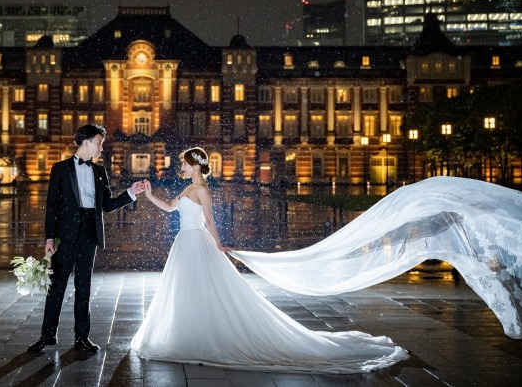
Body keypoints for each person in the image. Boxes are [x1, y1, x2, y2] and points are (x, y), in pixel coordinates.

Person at [130, 147, 409, 373]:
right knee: (183, 292)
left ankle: (198, 336)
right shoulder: (185, 189)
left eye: (186, 164)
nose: (182, 167)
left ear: (197, 166)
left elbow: (210, 220)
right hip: (184, 244)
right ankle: (186, 334)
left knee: (201, 290)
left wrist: (218, 243)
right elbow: (168, 208)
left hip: (196, 241)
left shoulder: (202, 190)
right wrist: (150, 194)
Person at [28, 124, 145, 353]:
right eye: (99, 142)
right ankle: (47, 336)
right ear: (86, 142)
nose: (101, 147)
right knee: (57, 287)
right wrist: (49, 238)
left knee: (84, 287)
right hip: (65, 235)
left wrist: (131, 193)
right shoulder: (60, 169)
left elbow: (108, 205)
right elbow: (52, 207)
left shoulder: (99, 172)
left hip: (89, 234)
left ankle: (82, 338)